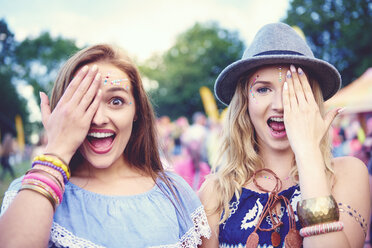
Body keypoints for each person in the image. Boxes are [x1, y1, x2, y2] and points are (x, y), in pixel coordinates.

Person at [0, 44, 210, 247]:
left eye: (116, 101)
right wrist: (57, 150)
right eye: (84, 101)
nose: (98, 118)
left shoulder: (174, 192)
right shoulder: (29, 193)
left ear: (136, 110)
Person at [199, 23, 370, 248]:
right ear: (245, 103)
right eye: (262, 89)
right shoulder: (215, 192)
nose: (280, 105)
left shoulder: (347, 174)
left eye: (294, 89)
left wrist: (308, 152)